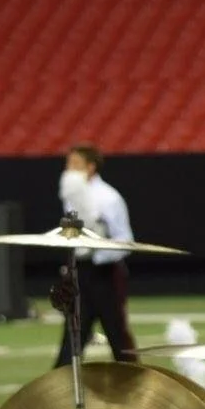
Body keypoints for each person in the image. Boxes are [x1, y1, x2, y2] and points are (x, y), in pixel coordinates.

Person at [53, 144, 138, 366]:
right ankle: (60, 386)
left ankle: (137, 384)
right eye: (68, 164)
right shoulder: (72, 196)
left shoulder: (109, 198)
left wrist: (97, 253)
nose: (69, 170)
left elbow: (124, 239)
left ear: (90, 168)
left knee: (117, 334)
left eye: (75, 165)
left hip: (105, 273)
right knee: (73, 334)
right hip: (79, 271)